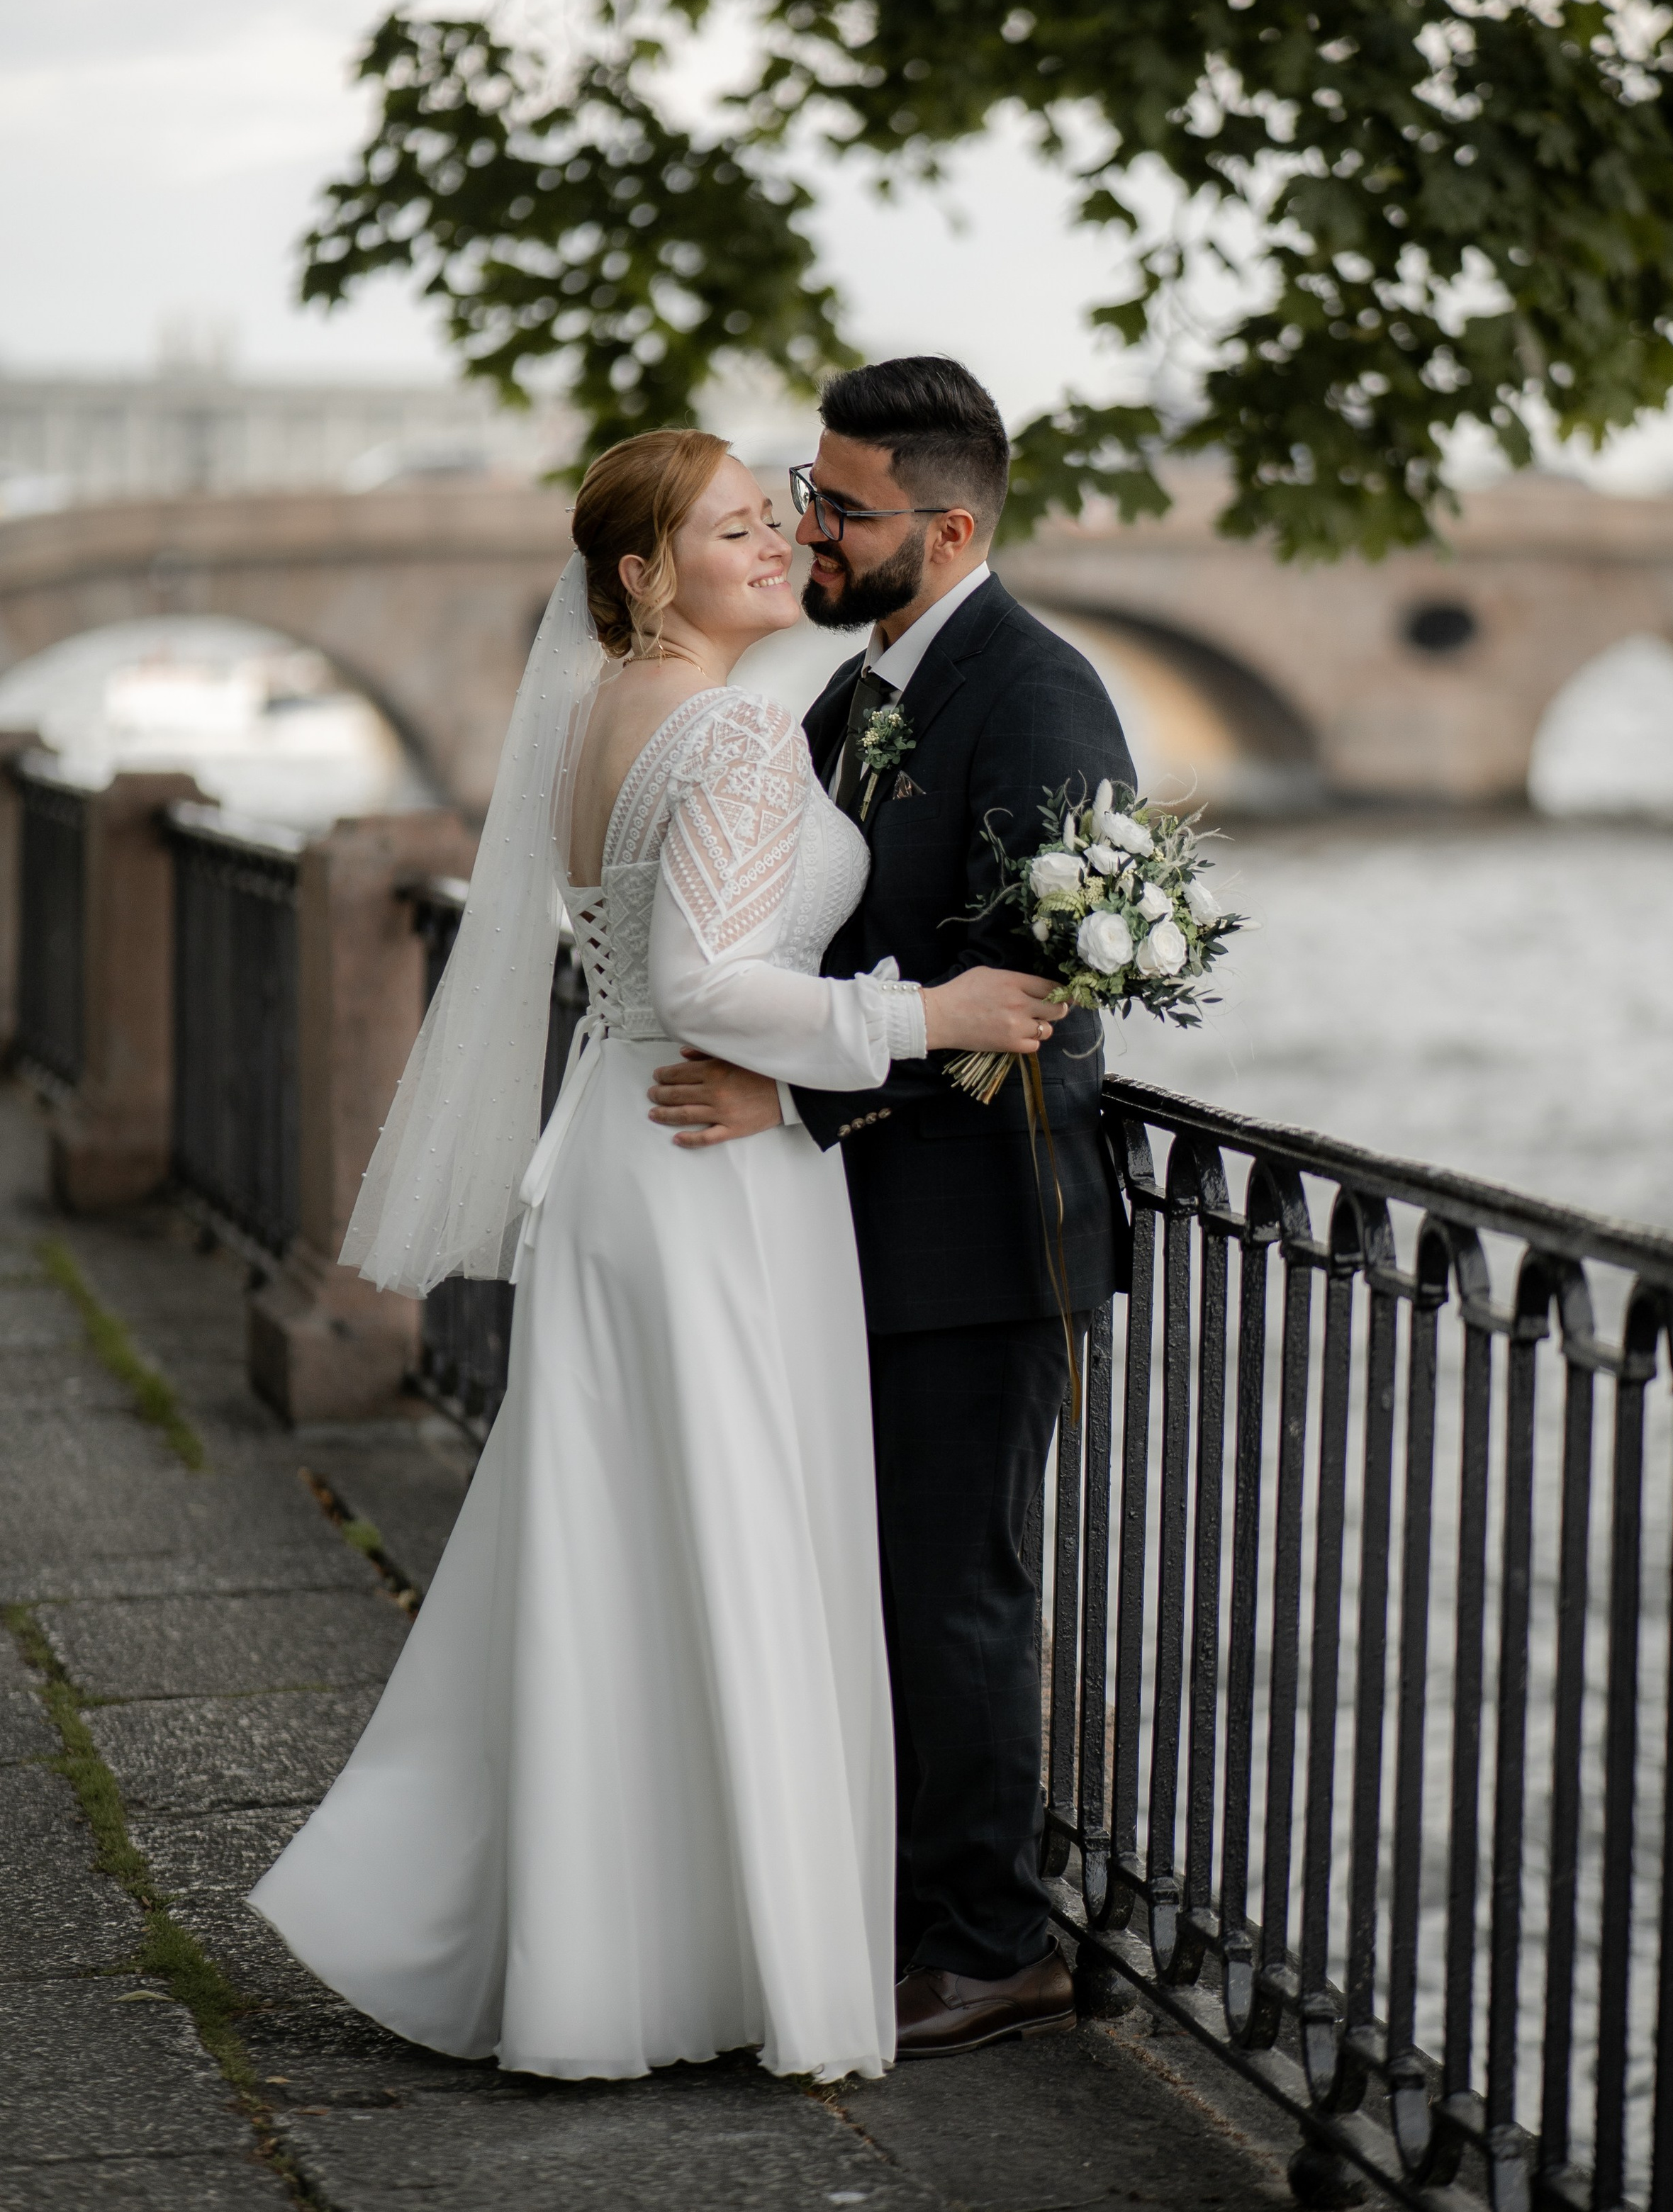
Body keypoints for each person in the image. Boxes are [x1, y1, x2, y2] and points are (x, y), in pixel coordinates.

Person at [248, 428, 1063, 2082]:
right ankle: (718, 1954)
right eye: (737, 528)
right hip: (716, 1168)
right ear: (640, 574)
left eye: (783, 520)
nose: (780, 546)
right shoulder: (737, 738)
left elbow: (647, 972)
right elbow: (705, 984)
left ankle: (605, 1949)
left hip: (638, 1152)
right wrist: (932, 1014)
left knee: (628, 1544)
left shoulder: (602, 721)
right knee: (730, 1539)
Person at [650, 359, 1136, 2057]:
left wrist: (800, 1089)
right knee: (869, 1586)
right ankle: (886, 1906)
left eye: (840, 504)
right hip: (846, 1223)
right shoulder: (850, 689)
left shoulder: (1037, 694)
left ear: (945, 524)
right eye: (805, 485)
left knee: (955, 1591)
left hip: (978, 1233)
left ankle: (993, 1942)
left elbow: (1044, 1004)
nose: (808, 524)